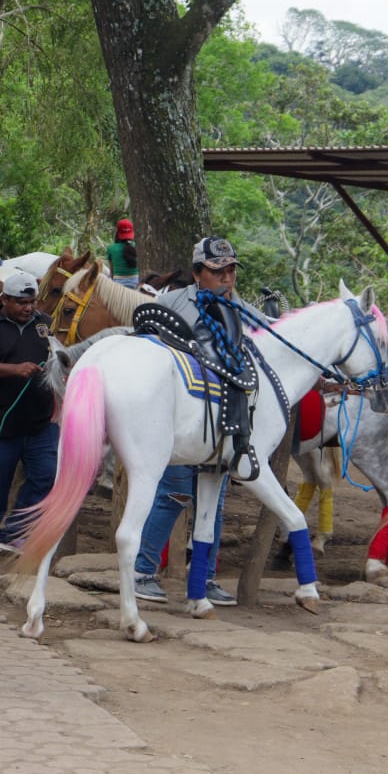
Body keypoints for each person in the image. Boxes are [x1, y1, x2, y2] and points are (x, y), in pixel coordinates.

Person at [135, 236, 265, 608]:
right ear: (197, 273)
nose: (226, 277)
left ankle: (204, 578)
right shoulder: (170, 303)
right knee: (174, 495)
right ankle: (142, 571)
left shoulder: (245, 311)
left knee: (215, 502)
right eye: (216, 270)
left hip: (222, 424)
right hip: (179, 419)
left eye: (231, 269)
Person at [0, 269, 58, 556]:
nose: (27, 307)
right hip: (0, 424)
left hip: (41, 423)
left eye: (31, 301)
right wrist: (15, 370)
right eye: (20, 302)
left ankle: (16, 532)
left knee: (46, 476)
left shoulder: (45, 324)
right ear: (4, 300)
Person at [107, 218, 140, 288]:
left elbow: (112, 272)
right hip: (136, 282)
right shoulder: (136, 246)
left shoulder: (111, 248)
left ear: (118, 232)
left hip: (118, 283)